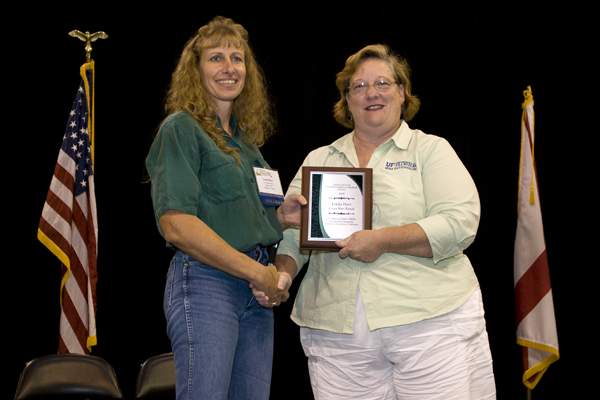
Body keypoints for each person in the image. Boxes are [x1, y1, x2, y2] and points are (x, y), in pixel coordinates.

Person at [255, 44, 496, 399]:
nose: (372, 93)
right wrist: (283, 274)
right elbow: (296, 234)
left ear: (402, 92)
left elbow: (460, 223)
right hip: (336, 335)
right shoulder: (320, 159)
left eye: (382, 83)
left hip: (429, 323)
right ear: (347, 100)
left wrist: (381, 240)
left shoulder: (430, 150)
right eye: (359, 86)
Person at [145, 16, 305, 400]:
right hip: (206, 282)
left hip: (255, 290)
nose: (230, 68)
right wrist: (257, 271)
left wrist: (283, 218)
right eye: (217, 58)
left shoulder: (247, 143)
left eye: (238, 58)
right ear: (196, 69)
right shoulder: (181, 129)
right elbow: (177, 225)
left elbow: (249, 217)